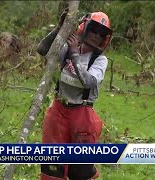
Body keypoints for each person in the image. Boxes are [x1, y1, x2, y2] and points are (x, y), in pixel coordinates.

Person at [36, 9, 113, 180]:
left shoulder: (99, 60)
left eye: (101, 34)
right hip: (58, 112)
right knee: (52, 166)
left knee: (80, 172)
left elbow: (88, 81)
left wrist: (75, 55)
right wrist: (59, 28)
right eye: (93, 30)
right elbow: (42, 49)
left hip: (82, 116)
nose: (96, 36)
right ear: (84, 27)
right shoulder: (67, 48)